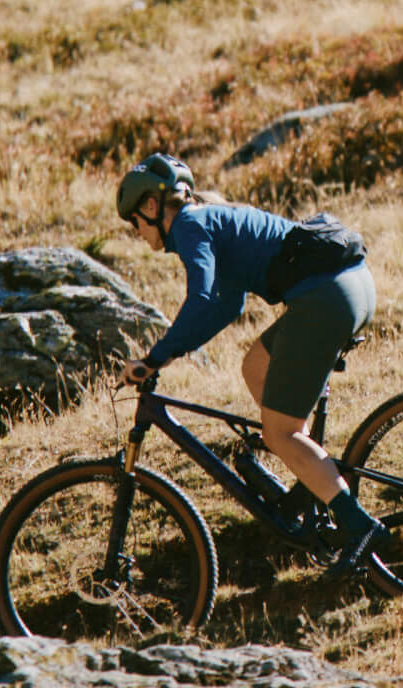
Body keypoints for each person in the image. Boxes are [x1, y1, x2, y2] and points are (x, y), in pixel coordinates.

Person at [114, 152, 386, 577]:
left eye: (136, 223)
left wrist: (154, 358)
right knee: (255, 367)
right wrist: (173, 351)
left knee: (280, 432)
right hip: (353, 285)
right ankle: (311, 475)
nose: (139, 233)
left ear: (151, 206)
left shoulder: (188, 224)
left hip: (326, 300)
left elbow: (202, 299)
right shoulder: (215, 217)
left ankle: (360, 526)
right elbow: (227, 306)